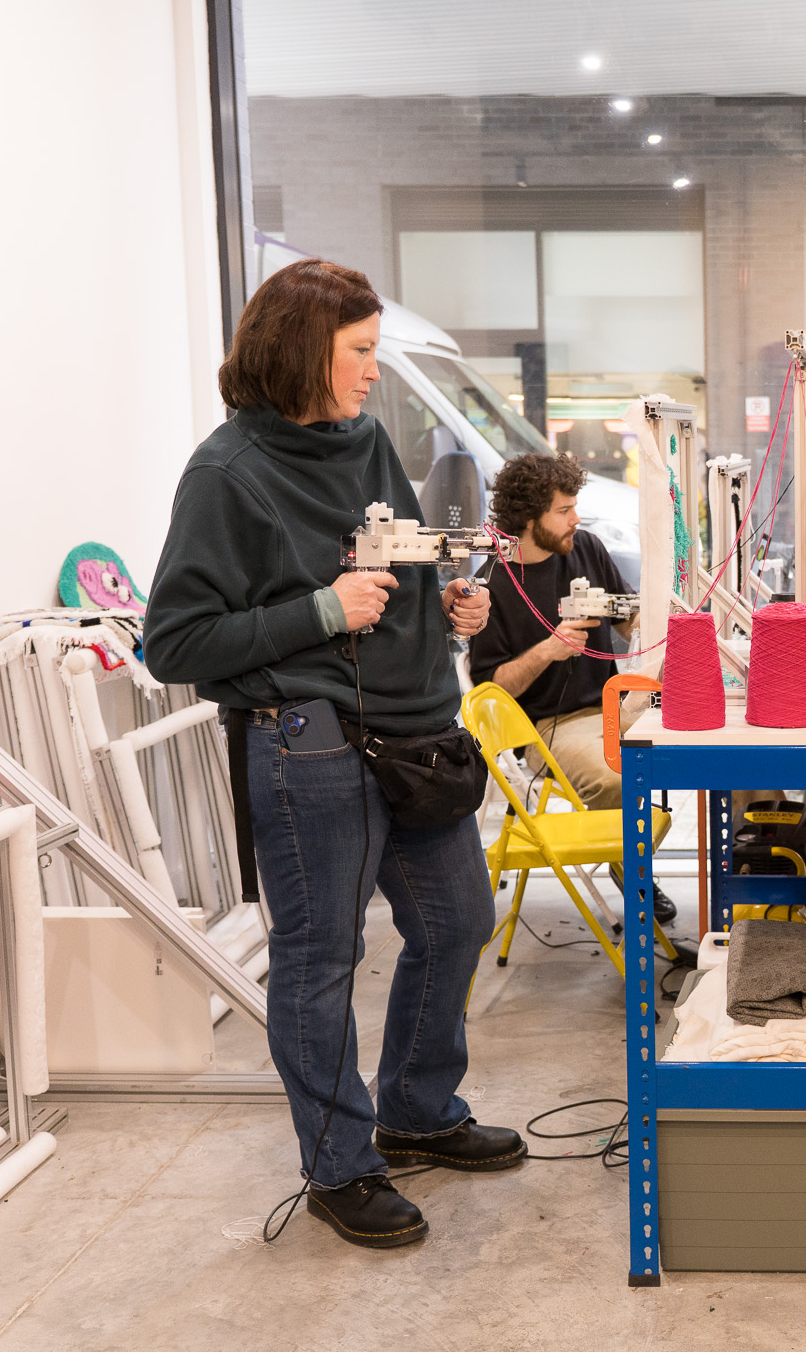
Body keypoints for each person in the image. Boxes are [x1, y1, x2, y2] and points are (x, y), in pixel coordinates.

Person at [145, 259, 525, 1251]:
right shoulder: (226, 474)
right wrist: (323, 609)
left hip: (414, 728)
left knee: (457, 922)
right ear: (301, 350)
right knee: (321, 960)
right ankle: (339, 1166)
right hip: (304, 737)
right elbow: (174, 642)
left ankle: (414, 1105)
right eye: (359, 353)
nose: (371, 372)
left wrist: (450, 609)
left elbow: (385, 569)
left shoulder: (363, 446)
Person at [468, 452, 676, 925]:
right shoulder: (493, 585)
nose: (575, 519)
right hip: (550, 726)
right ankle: (635, 873)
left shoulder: (586, 547)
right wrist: (549, 649)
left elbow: (627, 616)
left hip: (613, 702)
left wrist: (660, 632)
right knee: (620, 780)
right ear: (527, 518)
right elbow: (491, 687)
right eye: (563, 510)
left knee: (714, 738)